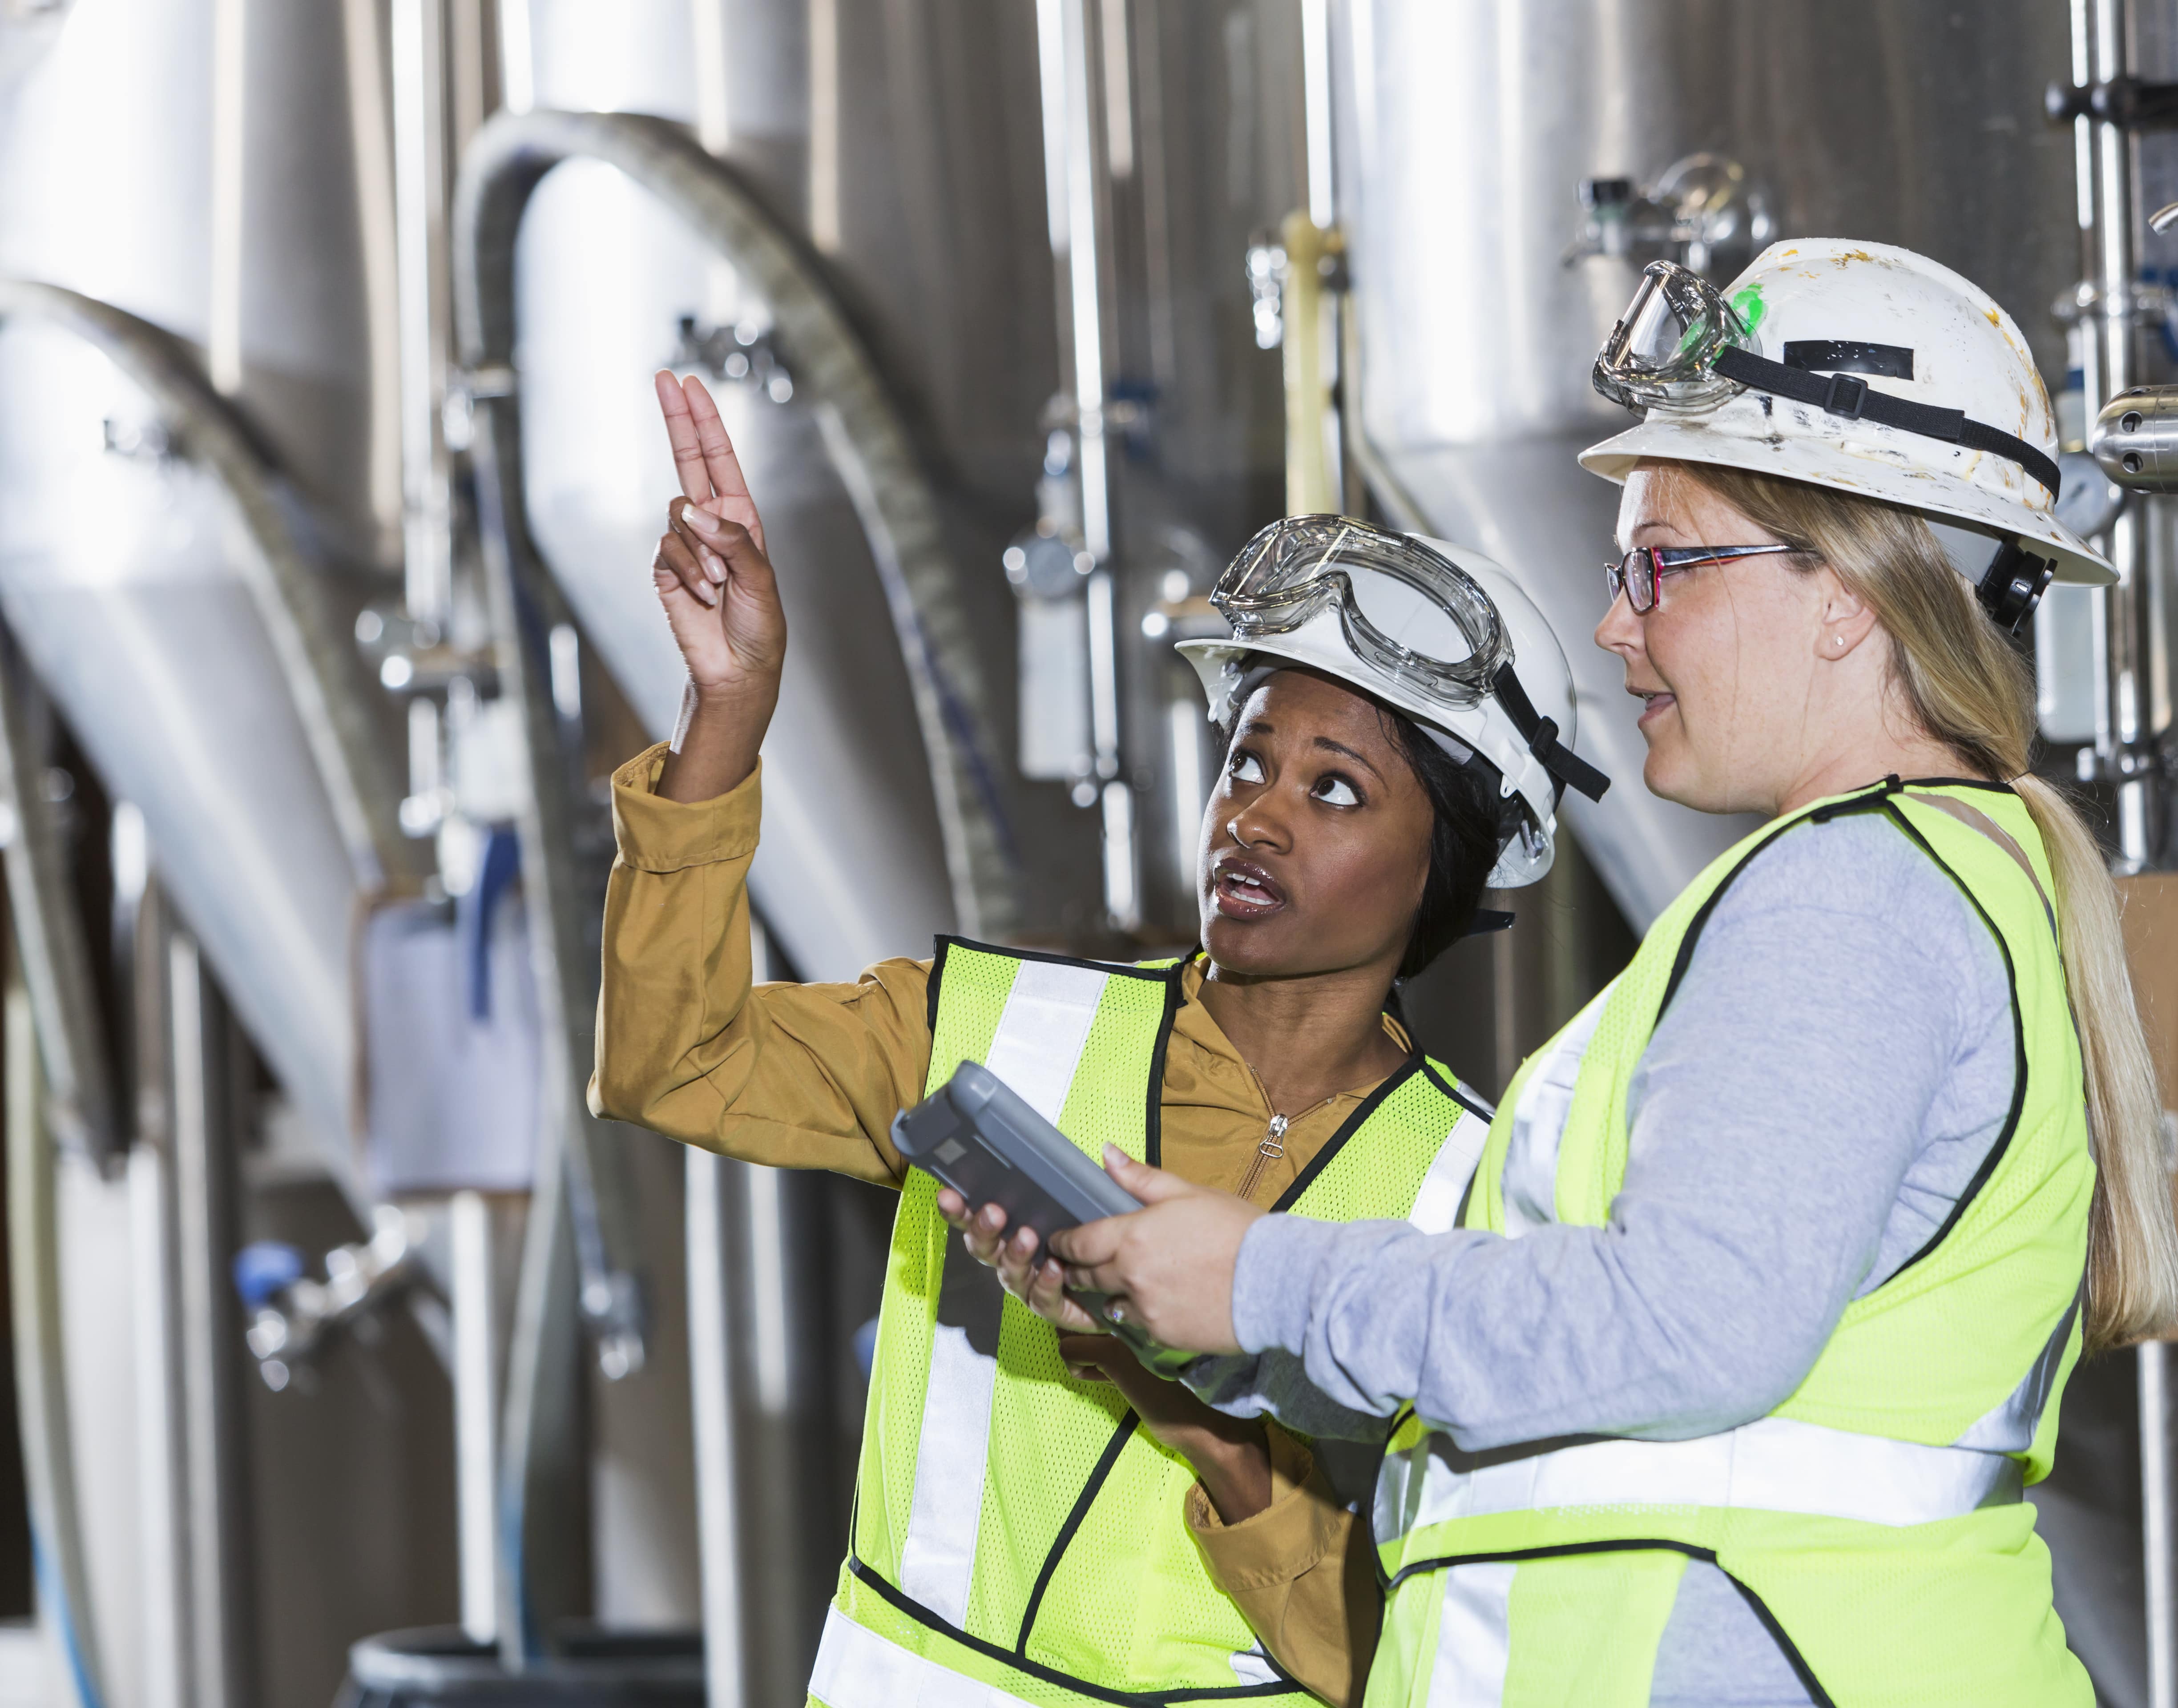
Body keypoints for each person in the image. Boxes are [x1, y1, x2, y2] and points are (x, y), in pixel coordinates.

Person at [991, 240, 2178, 1706]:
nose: (1618, 623)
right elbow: (1603, 1390)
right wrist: (1197, 1310)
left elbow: (1687, 1329)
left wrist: (1262, 1278)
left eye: (1664, 563)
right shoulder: (1912, 883)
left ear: (1850, 595)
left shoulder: (1852, 897)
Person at [591, 373, 1608, 1707]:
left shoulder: (1481, 1204)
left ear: (1451, 867)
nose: (1255, 818)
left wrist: (1179, 1394)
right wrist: (729, 712)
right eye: (1247, 761)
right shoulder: (993, 1030)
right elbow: (676, 1062)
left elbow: (1421, 1667)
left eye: (1336, 790)